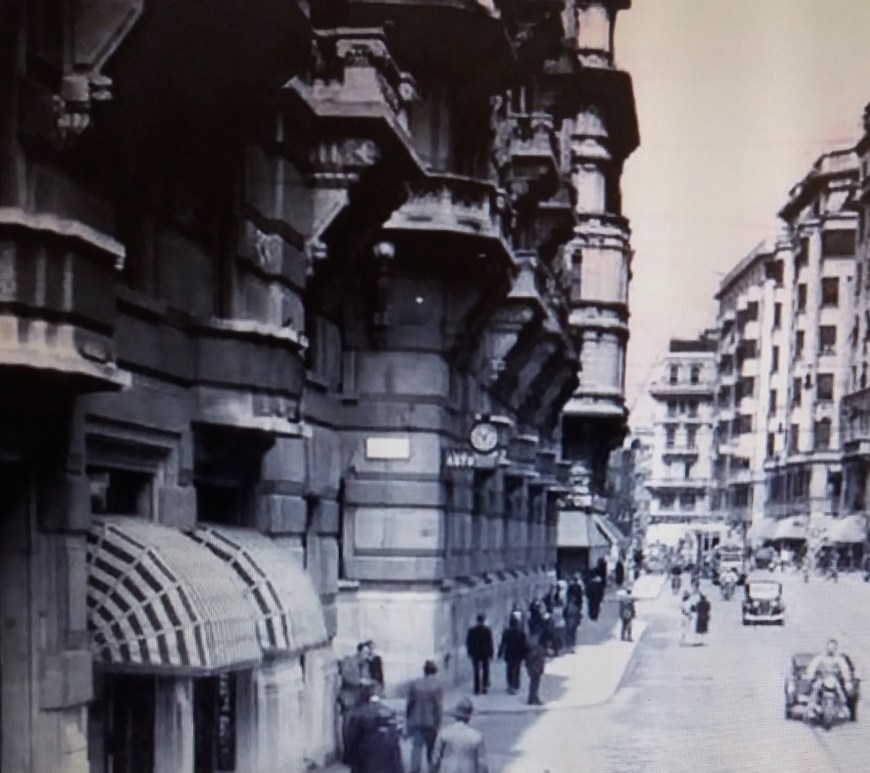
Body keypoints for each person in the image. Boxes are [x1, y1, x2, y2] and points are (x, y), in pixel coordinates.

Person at [343, 682, 404, 773]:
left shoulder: (358, 713)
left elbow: (350, 737)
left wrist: (349, 756)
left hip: (365, 753)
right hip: (388, 755)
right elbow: (395, 737)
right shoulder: (389, 711)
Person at [431, 697, 489, 773]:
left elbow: (435, 758)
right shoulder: (476, 736)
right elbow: (482, 764)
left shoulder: (444, 733)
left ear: (455, 716)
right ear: (469, 717)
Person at [406, 660, 443, 773]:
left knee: (417, 747)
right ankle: (432, 770)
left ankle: (415, 769)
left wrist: (408, 718)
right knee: (431, 749)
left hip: (416, 720)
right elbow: (438, 706)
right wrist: (438, 722)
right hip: (431, 722)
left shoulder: (415, 684)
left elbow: (410, 703)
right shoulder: (437, 686)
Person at [807, 638, 852, 713]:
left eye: (833, 648)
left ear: (835, 648)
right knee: (816, 688)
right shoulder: (820, 657)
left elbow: (845, 669)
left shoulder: (839, 659)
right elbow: (812, 666)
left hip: (833, 679)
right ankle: (811, 708)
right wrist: (810, 675)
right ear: (827, 647)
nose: (831, 650)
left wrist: (847, 680)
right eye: (829, 648)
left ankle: (843, 708)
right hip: (822, 678)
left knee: (840, 691)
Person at [497, 616, 527, 695]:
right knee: (517, 670)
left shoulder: (506, 633)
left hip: (509, 654)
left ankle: (510, 685)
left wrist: (500, 654)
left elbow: (503, 644)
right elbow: (524, 645)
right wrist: (525, 656)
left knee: (509, 669)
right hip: (518, 654)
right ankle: (516, 685)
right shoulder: (521, 633)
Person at [465, 614, 494, 695]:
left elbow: (469, 643)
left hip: (475, 653)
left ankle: (477, 688)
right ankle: (484, 686)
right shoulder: (487, 630)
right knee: (486, 669)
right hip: (485, 653)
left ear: (477, 620)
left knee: (476, 670)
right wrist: (491, 653)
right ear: (483, 621)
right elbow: (490, 643)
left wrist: (469, 652)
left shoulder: (472, 631)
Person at [524, 633, 546, 705]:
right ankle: (532, 698)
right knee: (534, 683)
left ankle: (534, 697)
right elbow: (531, 658)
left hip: (536, 668)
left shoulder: (535, 648)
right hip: (535, 668)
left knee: (535, 683)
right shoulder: (536, 649)